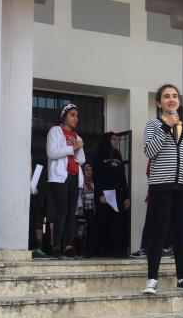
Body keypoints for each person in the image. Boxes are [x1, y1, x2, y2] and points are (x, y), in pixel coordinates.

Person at [142, 84, 183, 294]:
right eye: (166, 96)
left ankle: (182, 279)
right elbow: (150, 151)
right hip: (161, 186)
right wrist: (166, 126)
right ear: (159, 103)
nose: (171, 99)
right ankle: (152, 279)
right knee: (158, 232)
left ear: (179, 101)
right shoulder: (153, 125)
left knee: (180, 233)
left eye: (175, 96)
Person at [46, 103, 85, 259]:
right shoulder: (55, 131)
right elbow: (51, 152)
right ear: (64, 116)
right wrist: (71, 149)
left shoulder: (77, 137)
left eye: (77, 116)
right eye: (72, 115)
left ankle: (68, 247)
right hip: (59, 177)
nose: (76, 118)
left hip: (75, 176)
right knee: (61, 211)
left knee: (71, 212)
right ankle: (56, 247)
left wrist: (76, 150)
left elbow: (81, 159)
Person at [93, 132, 130, 257]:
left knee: (117, 222)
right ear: (107, 140)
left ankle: (116, 249)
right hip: (104, 193)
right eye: (113, 139)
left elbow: (123, 178)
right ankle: (99, 250)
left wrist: (126, 196)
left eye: (117, 139)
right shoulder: (99, 155)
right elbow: (96, 177)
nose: (116, 141)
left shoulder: (118, 156)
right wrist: (100, 194)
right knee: (102, 222)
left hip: (117, 194)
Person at [76, 163, 97, 258]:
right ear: (83, 171)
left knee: (91, 231)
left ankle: (89, 251)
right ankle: (79, 252)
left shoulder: (94, 182)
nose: (89, 172)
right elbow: (79, 195)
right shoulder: (80, 181)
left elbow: (95, 195)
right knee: (80, 232)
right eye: (87, 170)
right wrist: (80, 207)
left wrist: (86, 195)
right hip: (82, 209)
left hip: (91, 209)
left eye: (91, 170)